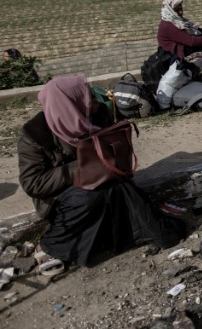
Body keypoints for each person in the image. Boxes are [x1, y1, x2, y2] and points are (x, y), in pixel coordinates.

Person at [17, 76, 185, 268]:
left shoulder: (96, 115)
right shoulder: (35, 135)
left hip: (101, 178)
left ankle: (148, 232)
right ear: (70, 104)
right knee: (92, 196)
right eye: (88, 99)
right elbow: (33, 183)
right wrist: (80, 168)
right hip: (59, 195)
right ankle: (52, 245)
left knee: (120, 188)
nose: (95, 102)